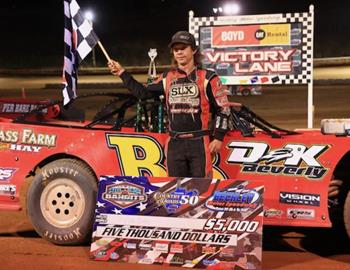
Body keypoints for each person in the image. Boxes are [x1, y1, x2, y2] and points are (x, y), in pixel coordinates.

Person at [108, 30, 233, 178]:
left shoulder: (208, 77)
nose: (179, 52)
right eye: (176, 49)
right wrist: (122, 73)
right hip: (175, 143)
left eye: (183, 48)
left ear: (194, 50)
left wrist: (218, 137)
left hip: (199, 143)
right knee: (175, 190)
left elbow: (223, 108)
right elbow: (142, 93)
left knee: (201, 190)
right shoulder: (167, 77)